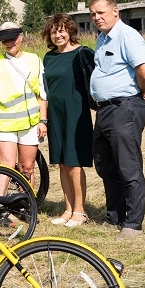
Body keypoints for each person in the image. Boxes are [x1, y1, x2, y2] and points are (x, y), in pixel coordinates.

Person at [88, 0, 145, 239]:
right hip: (105, 109)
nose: (97, 18)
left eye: (101, 12)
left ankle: (133, 224)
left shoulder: (127, 36)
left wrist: (140, 92)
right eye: (93, 14)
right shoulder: (102, 38)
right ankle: (114, 215)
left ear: (115, 11)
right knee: (106, 165)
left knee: (129, 166)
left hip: (124, 108)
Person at [0, 21, 48, 193]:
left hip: (30, 124)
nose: (9, 43)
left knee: (27, 167)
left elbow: (42, 94)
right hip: (5, 125)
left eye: (13, 39)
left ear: (21, 37)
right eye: (5, 41)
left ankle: (26, 205)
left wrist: (43, 121)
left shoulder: (35, 60)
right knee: (7, 166)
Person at [41, 13, 95, 228]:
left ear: (70, 31)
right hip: (55, 115)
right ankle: (68, 209)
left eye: (62, 30)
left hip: (76, 114)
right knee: (62, 163)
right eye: (54, 31)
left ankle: (80, 211)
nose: (58, 35)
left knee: (74, 164)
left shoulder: (84, 53)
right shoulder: (49, 57)